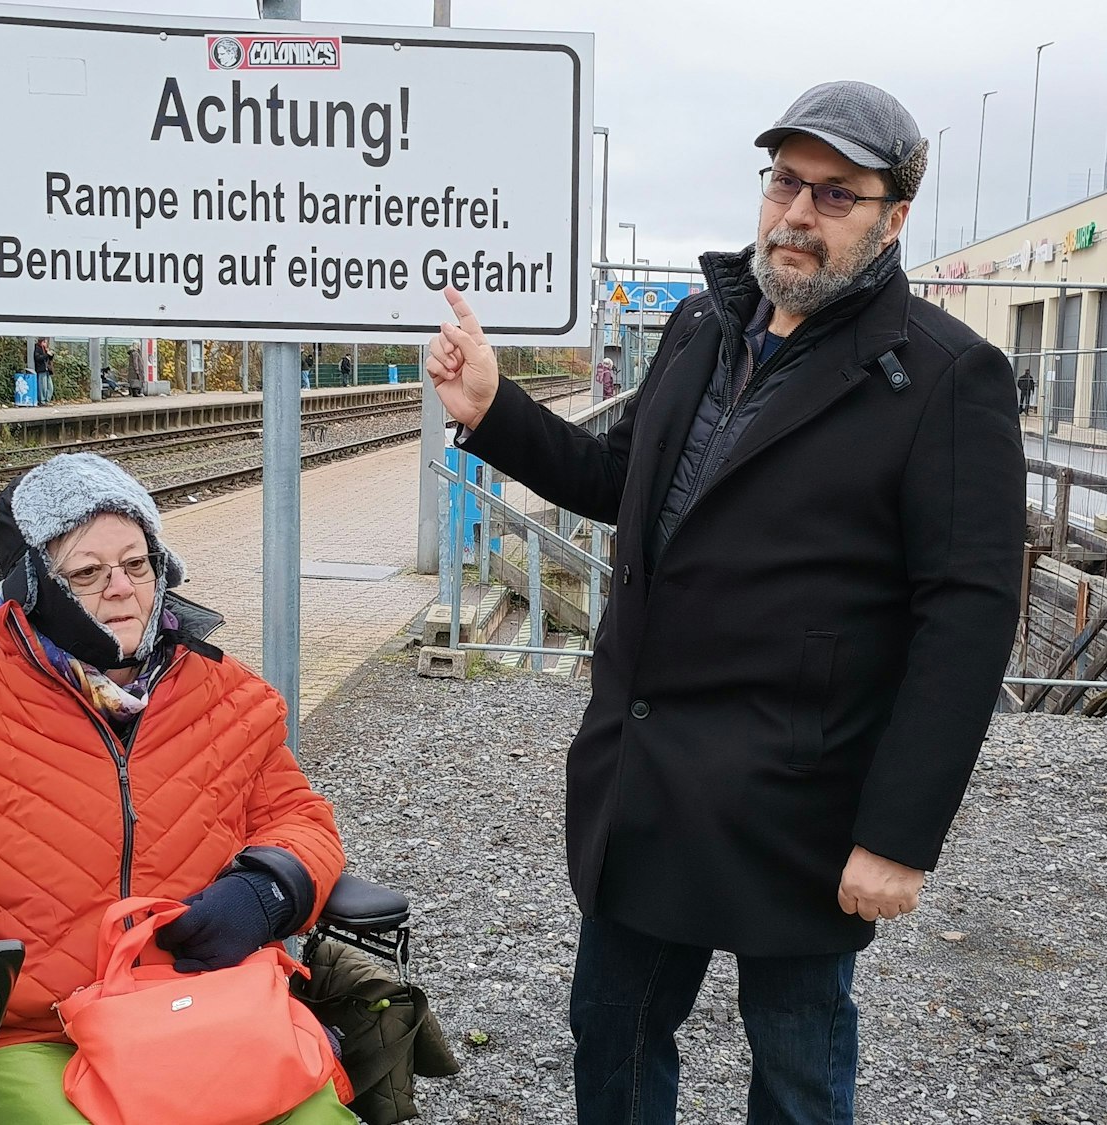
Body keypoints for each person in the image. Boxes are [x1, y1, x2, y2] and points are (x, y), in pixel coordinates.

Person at [426, 80, 1023, 1124]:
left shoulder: (942, 377)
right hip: (647, 776)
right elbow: (626, 483)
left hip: (797, 799)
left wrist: (899, 837)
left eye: (835, 194)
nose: (797, 211)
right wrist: (495, 412)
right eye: (785, 181)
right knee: (611, 1038)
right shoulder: (705, 323)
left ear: (892, 219)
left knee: (794, 1068)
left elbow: (965, 619)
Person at [0, 453, 354, 1125]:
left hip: (200, 1010)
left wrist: (269, 888)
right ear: (35, 584)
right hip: (20, 1031)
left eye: (137, 564)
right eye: (87, 572)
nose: (121, 588)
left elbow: (302, 821)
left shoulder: (229, 696)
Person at [33, 337, 55, 404]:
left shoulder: (45, 349)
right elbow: (38, 358)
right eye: (45, 342)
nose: (46, 344)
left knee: (50, 386)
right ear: (41, 342)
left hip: (47, 369)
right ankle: (42, 401)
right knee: (43, 386)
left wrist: (50, 354)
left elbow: (50, 359)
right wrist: (46, 355)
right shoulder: (37, 348)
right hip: (41, 369)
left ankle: (47, 399)